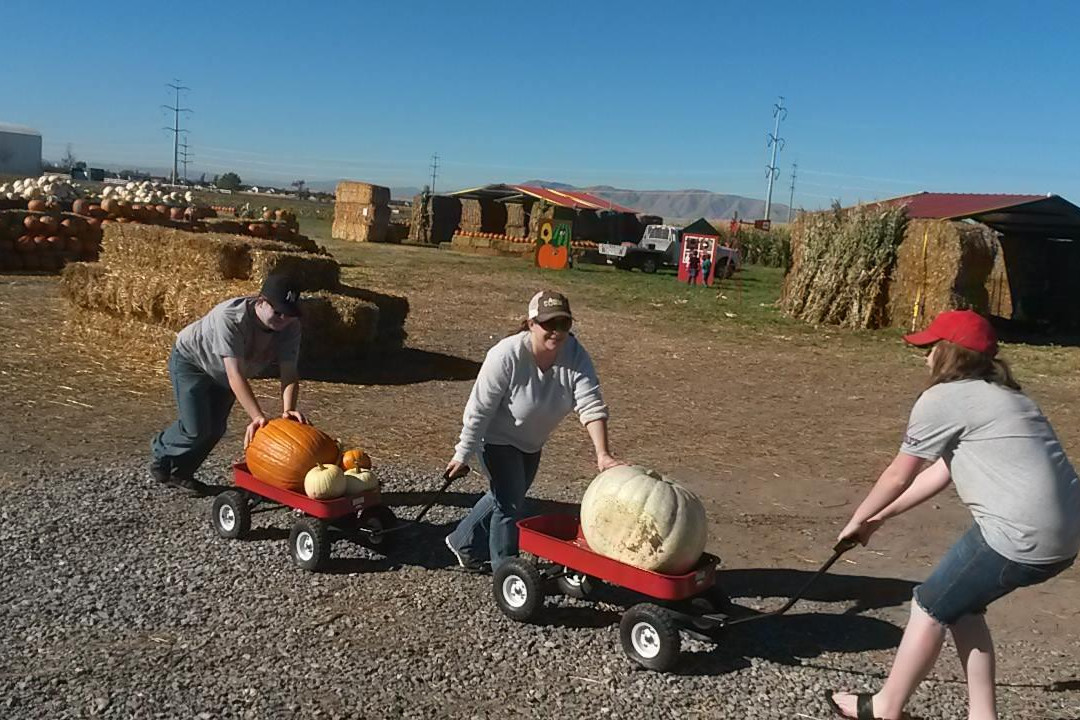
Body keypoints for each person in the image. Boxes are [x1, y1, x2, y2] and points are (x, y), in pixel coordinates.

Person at [827, 310, 1080, 720]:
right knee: (962, 607)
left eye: (930, 349)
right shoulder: (1009, 398)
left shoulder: (943, 398)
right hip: (1064, 538)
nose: (925, 357)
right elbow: (942, 473)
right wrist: (877, 519)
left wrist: (857, 516)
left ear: (948, 354)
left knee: (929, 606)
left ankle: (885, 708)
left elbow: (899, 474)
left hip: (1018, 537)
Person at [444, 290, 623, 572]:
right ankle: (507, 573)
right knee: (510, 505)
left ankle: (462, 541)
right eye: (548, 324)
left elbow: (590, 403)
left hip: (531, 443)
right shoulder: (506, 355)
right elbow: (479, 408)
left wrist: (603, 454)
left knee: (503, 495)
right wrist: (462, 454)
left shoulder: (575, 355)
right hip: (496, 440)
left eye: (563, 324)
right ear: (531, 324)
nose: (556, 332)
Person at [150, 274, 308, 496]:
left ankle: (180, 474)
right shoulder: (231, 318)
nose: (283, 319)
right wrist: (257, 416)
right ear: (260, 301)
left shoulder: (290, 327)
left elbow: (289, 372)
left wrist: (288, 409)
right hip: (193, 362)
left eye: (289, 314)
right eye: (278, 312)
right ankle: (161, 450)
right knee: (196, 428)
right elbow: (235, 375)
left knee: (216, 429)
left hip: (226, 375)